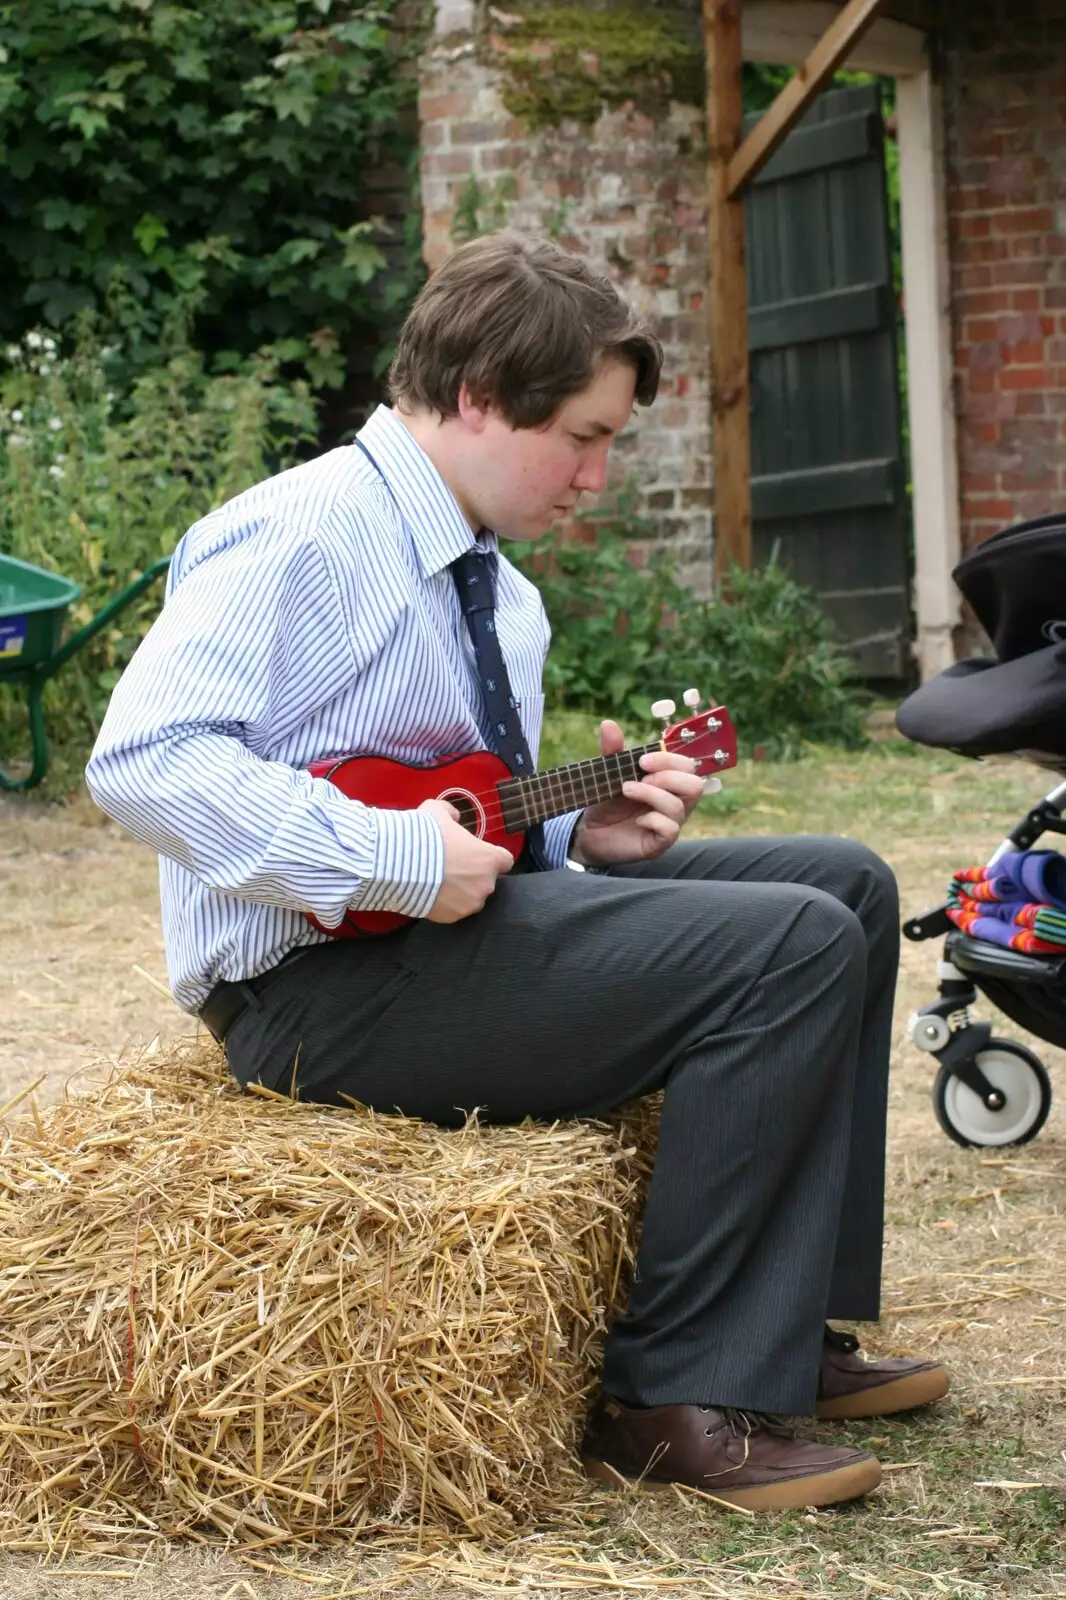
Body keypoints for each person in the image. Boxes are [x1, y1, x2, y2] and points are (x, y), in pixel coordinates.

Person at [87, 231, 949, 1513]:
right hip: (316, 992)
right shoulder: (295, 533)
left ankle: (790, 1331)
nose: (598, 476)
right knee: (785, 945)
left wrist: (579, 838)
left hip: (437, 939)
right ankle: (670, 1396)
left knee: (841, 887)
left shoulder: (506, 593)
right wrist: (386, 851)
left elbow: (469, 818)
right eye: (583, 438)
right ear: (479, 395)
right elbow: (143, 760)